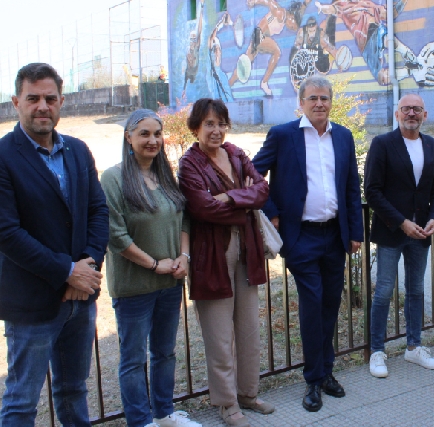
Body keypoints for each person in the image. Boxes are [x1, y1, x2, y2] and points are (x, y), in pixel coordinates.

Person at [0, 62, 109, 426]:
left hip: (81, 300)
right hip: (32, 301)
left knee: (74, 390)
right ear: (16, 102)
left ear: (62, 101)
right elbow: (7, 232)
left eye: (50, 98)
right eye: (33, 98)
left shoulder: (77, 150)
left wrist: (87, 267)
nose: (42, 106)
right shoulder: (3, 156)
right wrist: (67, 273)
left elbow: (97, 210)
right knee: (20, 401)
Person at [252, 75, 363, 412]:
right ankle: (314, 380)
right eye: (312, 98)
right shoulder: (283, 135)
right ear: (300, 103)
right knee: (312, 304)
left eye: (324, 98)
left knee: (330, 304)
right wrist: (272, 214)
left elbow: (350, 188)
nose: (319, 103)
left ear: (331, 102)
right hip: (300, 237)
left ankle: (325, 371)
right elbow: (253, 174)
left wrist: (356, 232)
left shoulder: (342, 136)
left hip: (335, 235)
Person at [100, 109, 201, 427]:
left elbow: (184, 217)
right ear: (128, 137)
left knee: (165, 353)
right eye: (144, 133)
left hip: (170, 285)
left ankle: (164, 414)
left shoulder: (167, 177)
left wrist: (184, 257)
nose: (152, 140)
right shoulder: (113, 178)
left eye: (157, 133)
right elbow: (115, 234)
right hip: (134, 288)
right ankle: (140, 421)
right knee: (132, 360)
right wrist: (154, 264)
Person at [178, 98, 273, 427]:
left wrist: (230, 197)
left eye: (221, 123)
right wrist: (243, 202)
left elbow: (262, 190)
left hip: (247, 249)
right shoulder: (189, 164)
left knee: (248, 328)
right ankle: (227, 404)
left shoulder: (236, 153)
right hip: (211, 257)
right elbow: (202, 208)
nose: (216, 130)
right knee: (219, 335)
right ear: (196, 128)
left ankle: (248, 393)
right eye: (209, 124)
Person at [364, 94, 434, 378]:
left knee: (416, 290)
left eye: (417, 109)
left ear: (425, 114)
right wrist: (401, 223)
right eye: (406, 109)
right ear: (397, 114)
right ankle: (376, 351)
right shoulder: (383, 144)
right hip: (391, 231)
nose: (412, 113)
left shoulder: (432, 146)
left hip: (422, 232)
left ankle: (414, 347)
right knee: (384, 291)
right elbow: (372, 190)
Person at [315, 0, 414, 85]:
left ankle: (409, 70)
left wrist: (321, 8)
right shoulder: (367, 4)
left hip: (366, 42)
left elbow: (332, 9)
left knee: (381, 78)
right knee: (385, 37)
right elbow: (390, 14)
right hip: (377, 29)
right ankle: (406, 52)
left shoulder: (345, 4)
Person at [229, 0, 311, 96]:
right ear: (292, 17)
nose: (291, 29)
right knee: (277, 52)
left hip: (258, 37)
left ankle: (229, 84)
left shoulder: (288, 17)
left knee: (246, 63)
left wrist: (306, 3)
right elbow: (269, 2)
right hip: (259, 36)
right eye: (292, 27)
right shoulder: (280, 13)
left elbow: (302, 8)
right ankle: (264, 82)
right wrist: (254, 2)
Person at [207, 12, 234, 103]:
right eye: (214, 49)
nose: (216, 52)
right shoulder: (211, 77)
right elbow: (211, 38)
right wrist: (220, 23)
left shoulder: (223, 77)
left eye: (217, 49)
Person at [183, 0, 205, 97]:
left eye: (193, 38)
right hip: (190, 74)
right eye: (191, 38)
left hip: (193, 74)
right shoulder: (189, 50)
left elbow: (199, 30)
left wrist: (202, 7)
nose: (192, 40)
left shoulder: (196, 47)